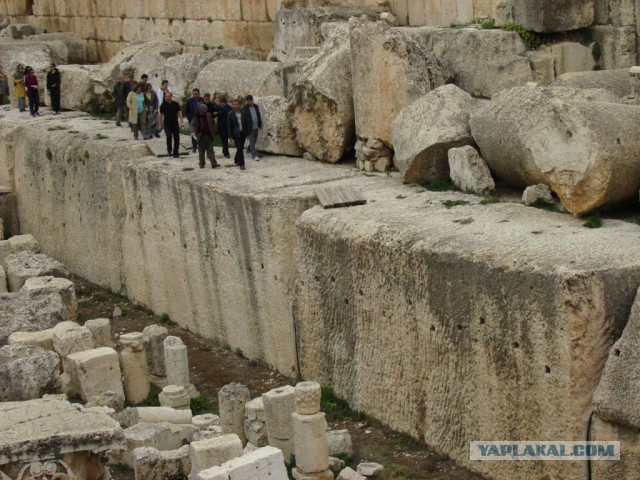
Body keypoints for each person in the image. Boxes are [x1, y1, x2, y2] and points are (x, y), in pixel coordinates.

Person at [190, 103, 219, 169]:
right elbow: (192, 124)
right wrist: (193, 132)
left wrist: (215, 131)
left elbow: (212, 123)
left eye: (204, 111)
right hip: (201, 137)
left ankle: (214, 163)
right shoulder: (196, 117)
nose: (203, 112)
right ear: (199, 110)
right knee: (201, 152)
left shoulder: (209, 115)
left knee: (210, 151)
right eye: (201, 111)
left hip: (209, 136)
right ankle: (201, 163)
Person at [227, 98, 251, 171]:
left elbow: (246, 124)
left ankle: (236, 159)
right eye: (234, 104)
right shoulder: (230, 114)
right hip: (235, 134)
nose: (235, 106)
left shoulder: (243, 112)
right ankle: (242, 164)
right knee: (240, 149)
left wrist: (247, 134)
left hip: (242, 133)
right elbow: (229, 126)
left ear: (240, 105)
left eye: (236, 104)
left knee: (240, 148)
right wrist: (230, 136)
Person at [159, 91, 184, 158]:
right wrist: (160, 124)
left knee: (177, 138)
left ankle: (175, 152)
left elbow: (179, 113)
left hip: (175, 124)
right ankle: (169, 150)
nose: (166, 97)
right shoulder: (163, 105)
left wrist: (181, 122)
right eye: (165, 96)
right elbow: (161, 115)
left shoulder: (176, 104)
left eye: (168, 96)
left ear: (171, 97)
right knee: (169, 136)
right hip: (167, 124)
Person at [242, 94, 262, 161]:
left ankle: (248, 149)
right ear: (247, 101)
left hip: (256, 126)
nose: (250, 102)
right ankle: (254, 155)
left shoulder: (256, 106)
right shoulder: (244, 109)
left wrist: (260, 123)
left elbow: (258, 115)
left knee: (254, 140)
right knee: (252, 141)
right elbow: (244, 121)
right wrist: (246, 132)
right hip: (249, 128)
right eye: (249, 101)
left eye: (251, 100)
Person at [185, 88, 204, 153]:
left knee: (201, 132)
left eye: (196, 94)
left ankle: (200, 146)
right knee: (193, 133)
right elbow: (186, 111)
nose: (194, 95)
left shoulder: (202, 100)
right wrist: (189, 118)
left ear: (198, 94)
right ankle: (194, 147)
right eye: (193, 94)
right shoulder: (189, 101)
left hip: (200, 118)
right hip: (192, 118)